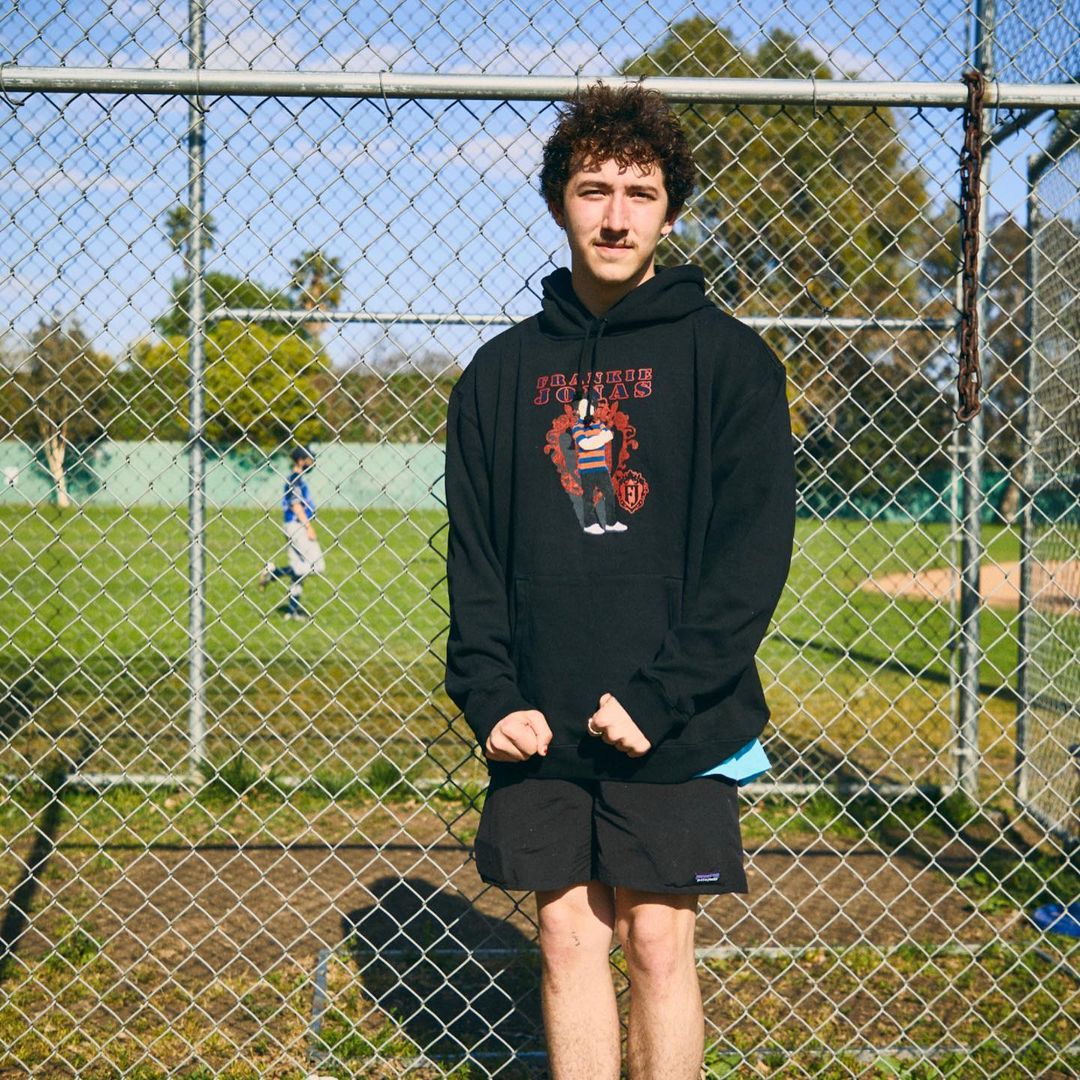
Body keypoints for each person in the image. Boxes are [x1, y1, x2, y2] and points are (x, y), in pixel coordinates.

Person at [443, 83, 796, 1079]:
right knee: (565, 936)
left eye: (639, 193)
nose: (614, 214)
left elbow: (751, 557)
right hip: (542, 719)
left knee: (656, 941)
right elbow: (475, 557)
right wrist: (489, 694)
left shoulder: (729, 362)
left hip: (673, 718)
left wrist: (660, 696)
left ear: (670, 213)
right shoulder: (499, 376)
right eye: (592, 189)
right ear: (559, 203)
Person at [259, 445, 325, 620]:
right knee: (317, 566)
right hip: (298, 526)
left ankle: (291, 611)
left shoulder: (297, 479)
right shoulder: (295, 480)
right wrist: (309, 527)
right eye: (309, 459)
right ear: (301, 460)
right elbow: (296, 505)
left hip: (292, 526)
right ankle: (273, 573)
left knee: (298, 573)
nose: (312, 462)